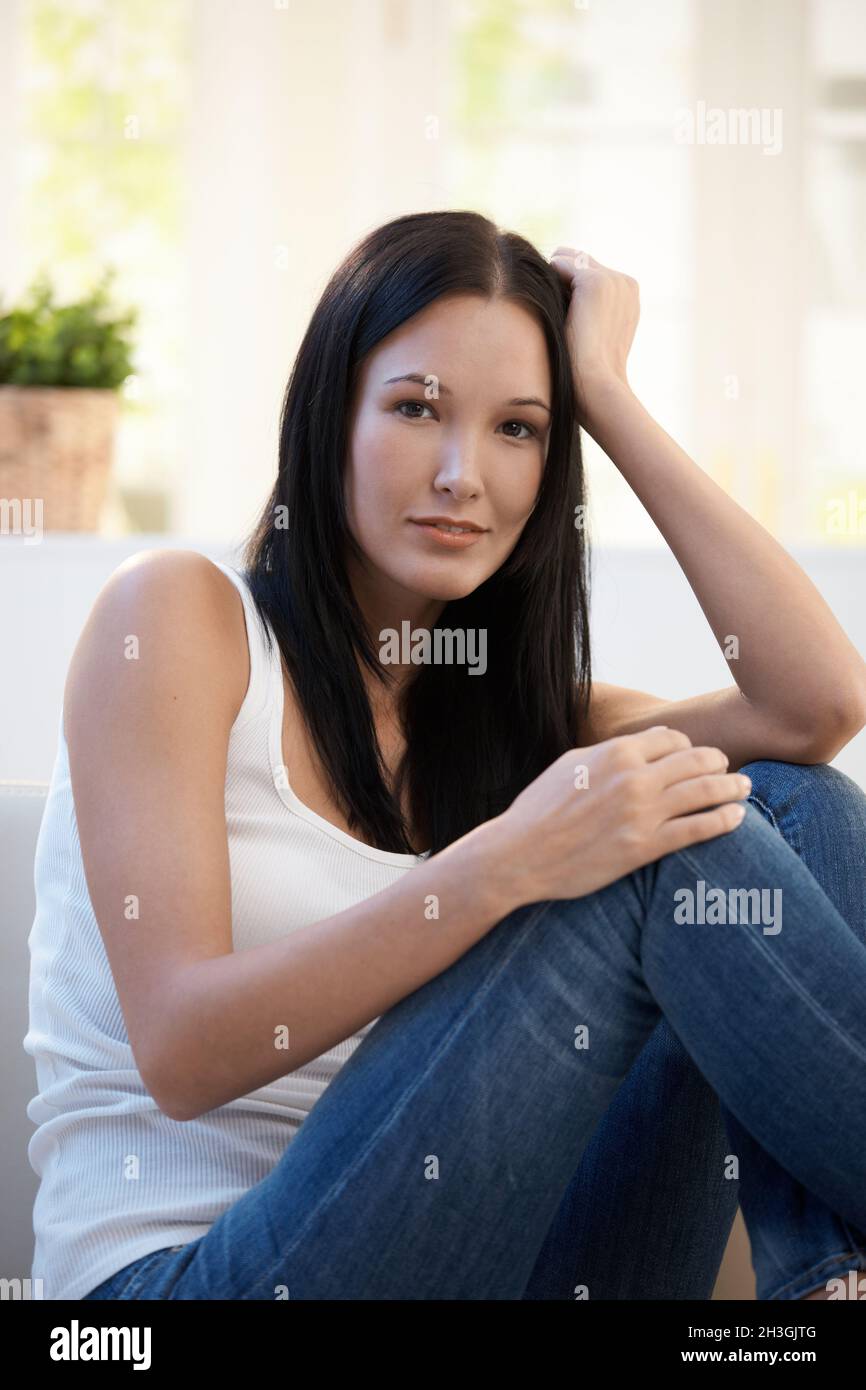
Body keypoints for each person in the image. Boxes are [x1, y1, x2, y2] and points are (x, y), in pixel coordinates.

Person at [25, 210, 866, 1301]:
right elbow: (182, 1050)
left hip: (488, 1272)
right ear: (330, 415)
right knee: (655, 833)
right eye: (417, 408)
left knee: (787, 802)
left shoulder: (520, 725)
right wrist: (508, 860)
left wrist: (604, 394)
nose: (465, 473)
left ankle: (825, 1283)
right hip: (184, 1286)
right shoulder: (179, 620)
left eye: (518, 429)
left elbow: (812, 708)